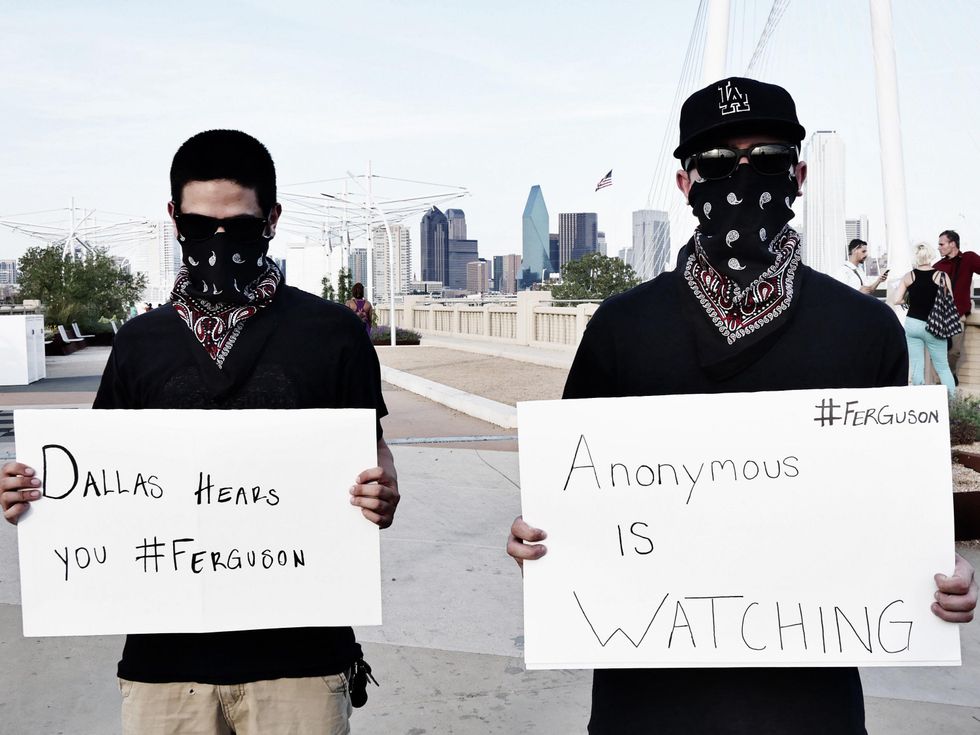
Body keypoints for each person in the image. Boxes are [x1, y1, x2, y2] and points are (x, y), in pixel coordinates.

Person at [507, 77, 977, 734]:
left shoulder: (866, 331)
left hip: (810, 713)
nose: (743, 178)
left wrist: (939, 569)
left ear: (800, 174)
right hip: (644, 712)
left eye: (767, 160)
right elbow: (569, 507)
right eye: (720, 164)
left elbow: (887, 512)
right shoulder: (620, 328)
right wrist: (533, 539)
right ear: (685, 183)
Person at [1, 129, 400, 735]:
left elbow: (371, 450)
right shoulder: (140, 343)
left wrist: (383, 486)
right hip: (166, 668)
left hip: (300, 661)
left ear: (271, 219)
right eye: (198, 225)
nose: (218, 243)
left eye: (239, 227)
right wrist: (34, 497)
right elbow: (97, 483)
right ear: (173, 218)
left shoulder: (332, 333)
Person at [892, 242, 956, 397]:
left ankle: (920, 403)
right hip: (934, 325)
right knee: (942, 366)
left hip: (913, 324)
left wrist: (911, 301)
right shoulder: (941, 276)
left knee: (916, 365)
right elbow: (950, 300)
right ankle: (952, 402)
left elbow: (896, 299)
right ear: (930, 255)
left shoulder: (909, 276)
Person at [933, 229, 980, 381]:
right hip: (940, 315)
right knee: (939, 350)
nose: (939, 247)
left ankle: (948, 376)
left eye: (942, 244)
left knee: (954, 351)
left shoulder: (969, 258)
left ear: (952, 244)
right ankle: (941, 380)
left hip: (958, 314)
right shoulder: (937, 266)